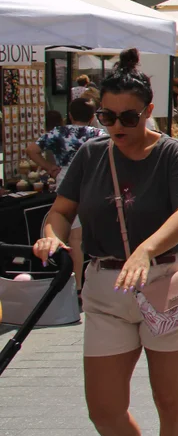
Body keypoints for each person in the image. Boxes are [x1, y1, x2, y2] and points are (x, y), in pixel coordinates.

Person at [34, 48, 178, 436]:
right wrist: (51, 235)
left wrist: (144, 250)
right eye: (106, 117)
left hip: (163, 282)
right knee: (104, 409)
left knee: (169, 399)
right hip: (106, 288)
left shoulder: (169, 152)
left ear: (148, 111)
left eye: (127, 117)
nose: (116, 126)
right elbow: (60, 211)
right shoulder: (91, 154)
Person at [26, 96, 105, 291]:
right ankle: (80, 284)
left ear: (69, 114)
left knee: (71, 238)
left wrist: (49, 167)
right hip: (92, 184)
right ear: (92, 115)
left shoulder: (58, 132)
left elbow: (31, 149)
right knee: (82, 238)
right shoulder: (98, 133)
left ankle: (73, 285)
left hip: (65, 185)